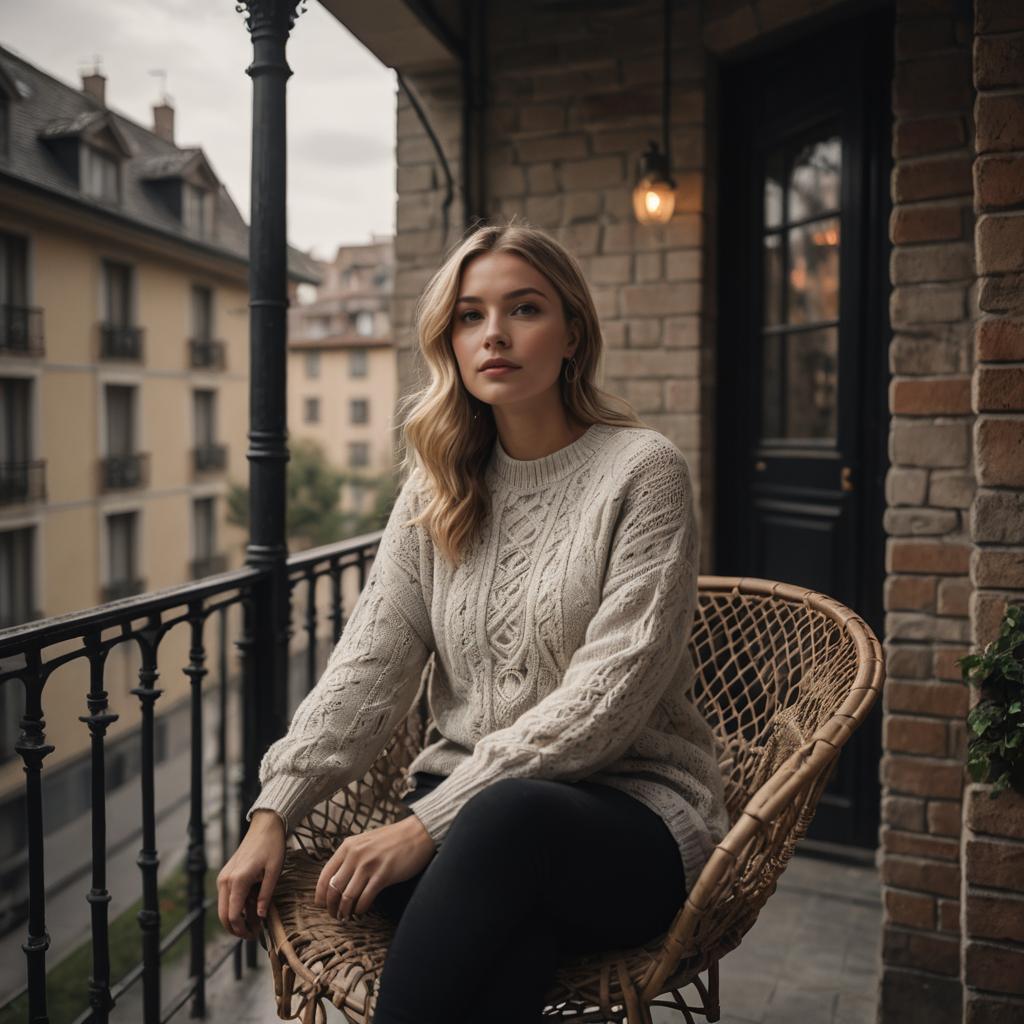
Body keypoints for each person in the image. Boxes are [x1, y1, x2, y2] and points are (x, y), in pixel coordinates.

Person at [216, 219, 731, 1023]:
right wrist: (274, 808)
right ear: (449, 342)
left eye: (524, 308)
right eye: (469, 315)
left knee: (504, 824)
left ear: (572, 335)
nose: (494, 333)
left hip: (626, 820)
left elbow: (608, 699)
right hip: (467, 831)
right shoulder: (435, 490)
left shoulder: (642, 472)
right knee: (508, 938)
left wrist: (429, 825)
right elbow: (367, 667)